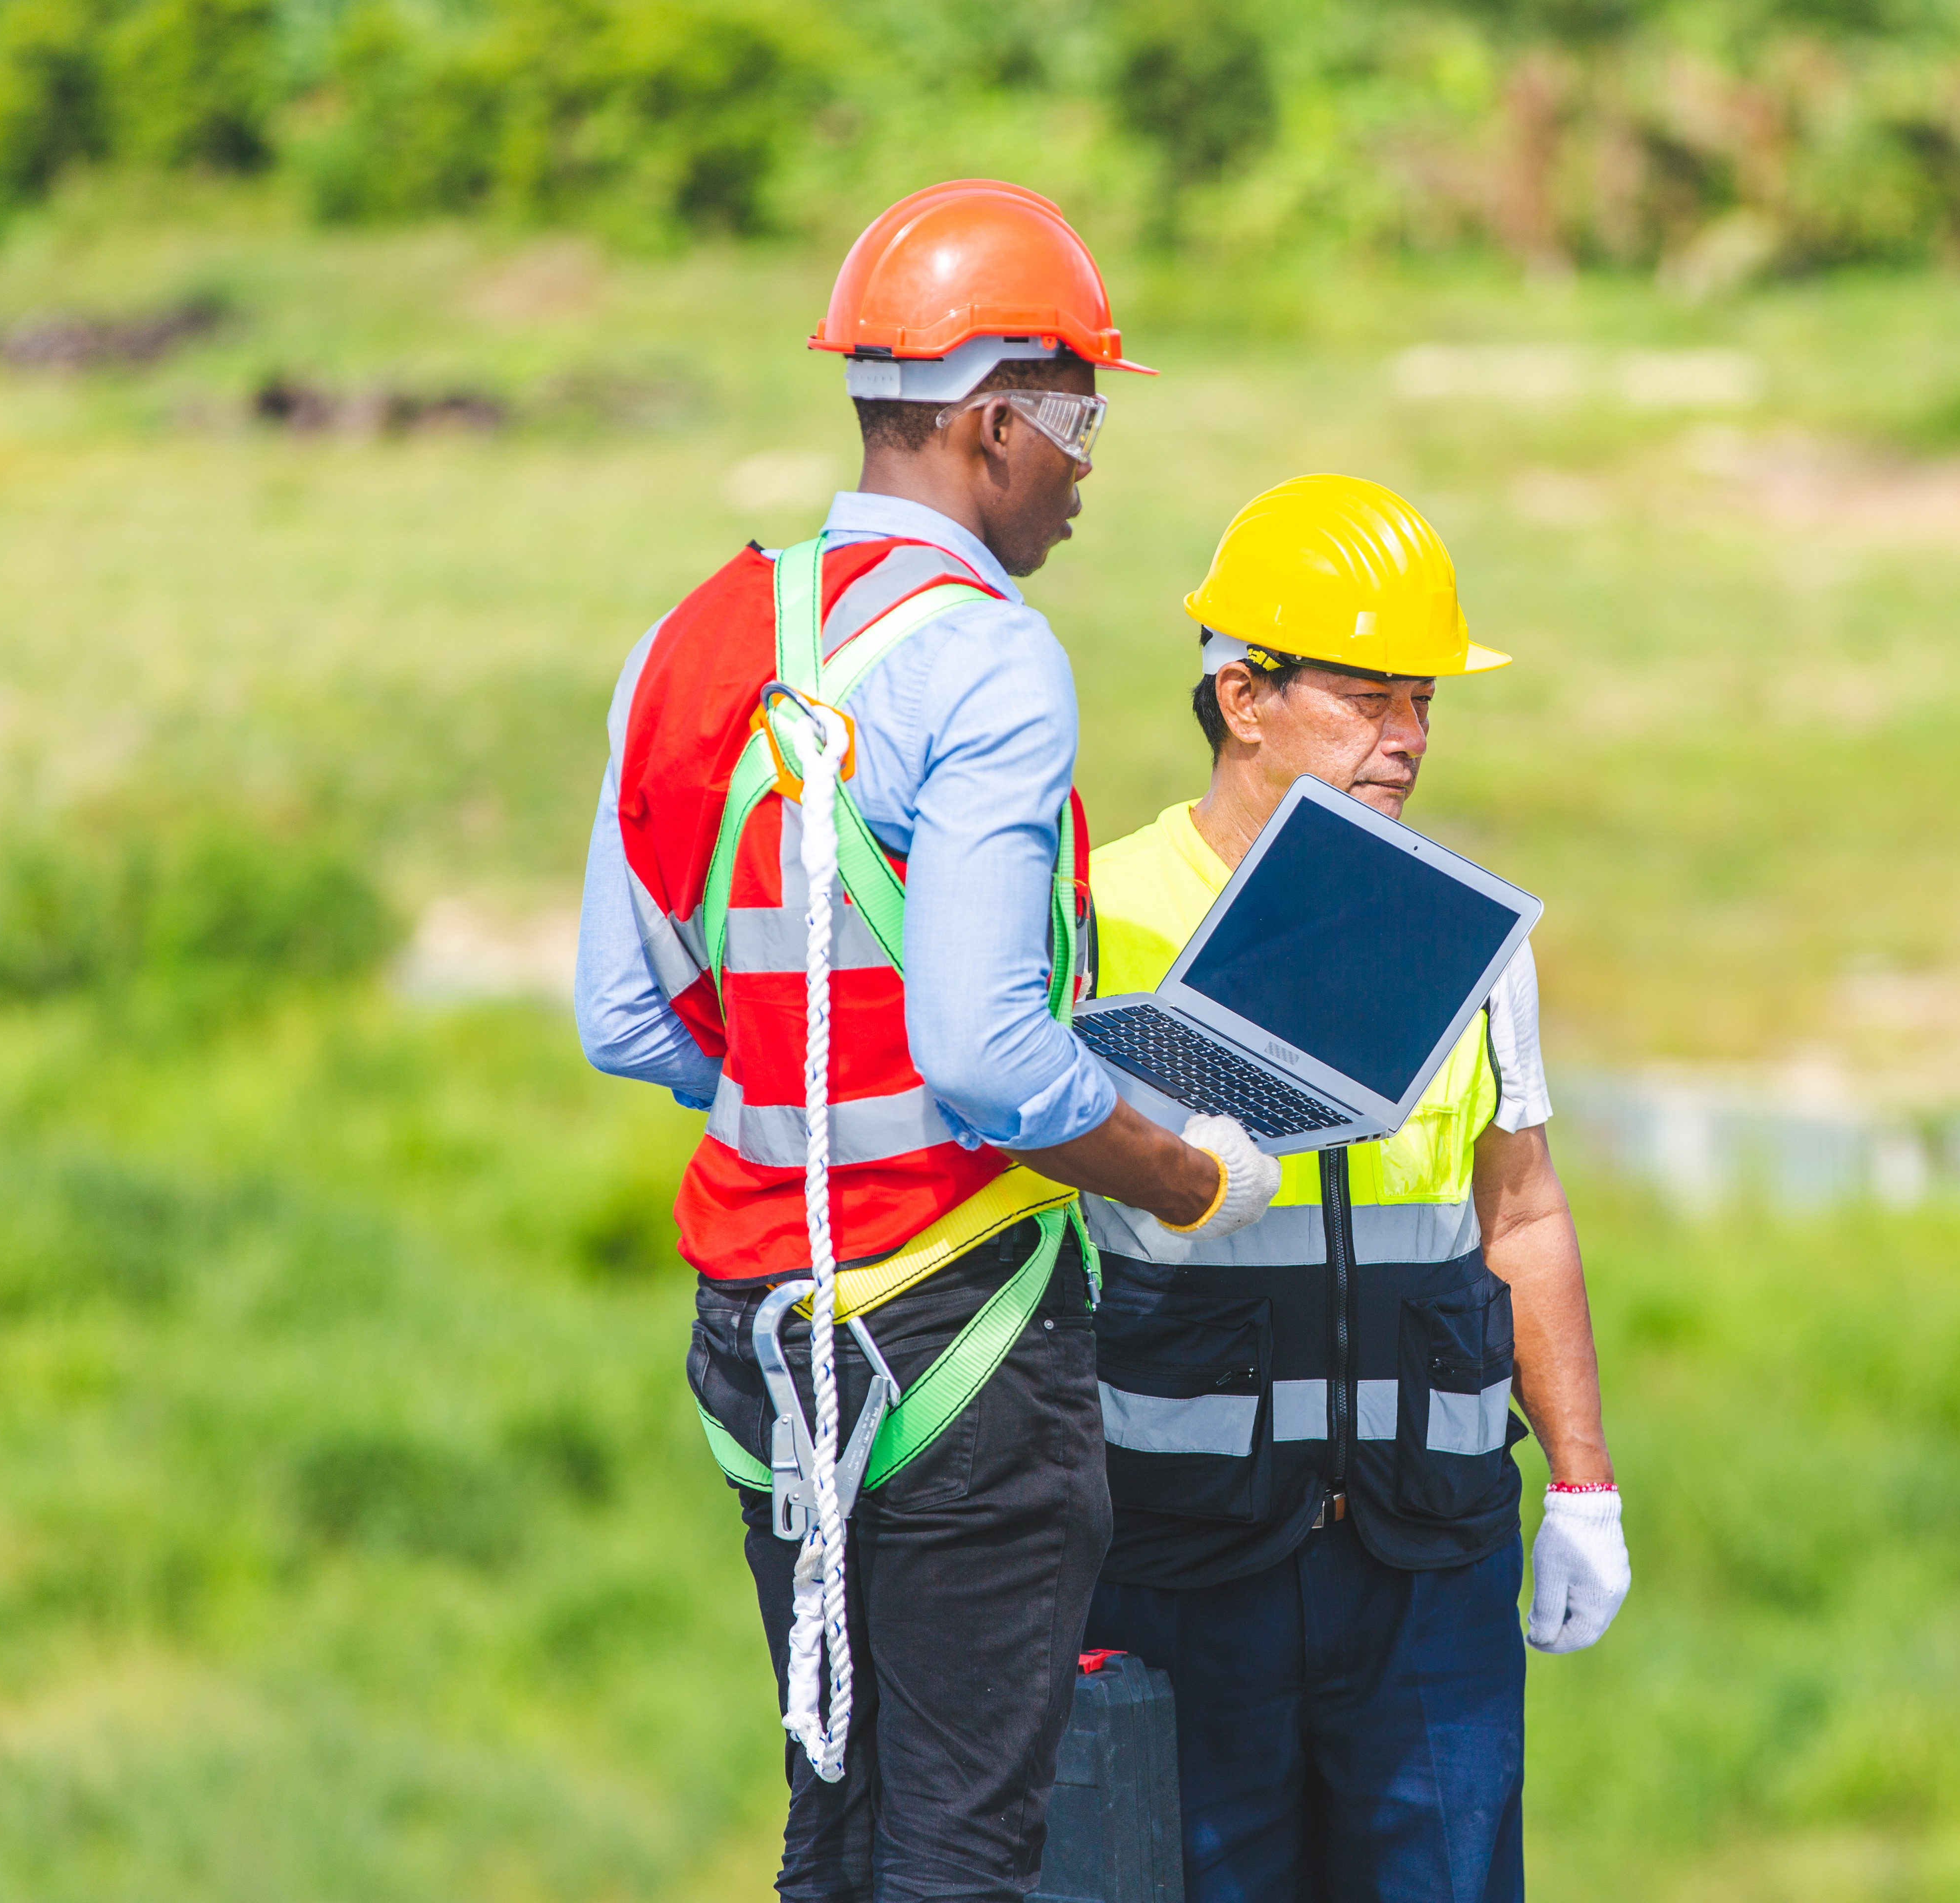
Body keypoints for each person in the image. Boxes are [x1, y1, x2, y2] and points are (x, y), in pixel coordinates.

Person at [572, 179, 1279, 1903]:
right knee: (968, 1851)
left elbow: (625, 1013)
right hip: (954, 1338)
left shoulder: (689, 641)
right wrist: (1184, 1173)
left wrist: (816, 1096)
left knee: (842, 1828)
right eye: (1078, 420)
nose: (1088, 468)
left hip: (764, 1340)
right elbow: (987, 1062)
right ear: (987, 425)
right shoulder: (987, 662)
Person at [1078, 474, 1631, 1903]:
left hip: (1426, 1558)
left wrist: (1583, 1484)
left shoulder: (1459, 930)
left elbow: (1523, 1210)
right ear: (1241, 695)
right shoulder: (1098, 908)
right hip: (1182, 1562)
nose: (1408, 736)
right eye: (1369, 695)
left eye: (1427, 700)